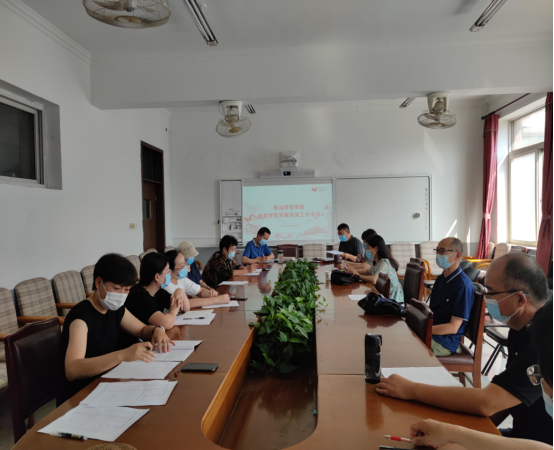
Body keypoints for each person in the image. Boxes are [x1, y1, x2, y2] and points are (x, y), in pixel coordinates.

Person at [376, 253, 553, 446]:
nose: (486, 298)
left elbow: (488, 402)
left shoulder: (543, 338)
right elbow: (508, 396)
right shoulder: (521, 327)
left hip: (533, 443)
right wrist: (467, 434)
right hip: (518, 435)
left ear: (520, 299)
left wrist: (410, 389)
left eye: (490, 292)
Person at [409, 301, 553, 450]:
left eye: (541, 377)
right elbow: (506, 397)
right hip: (519, 438)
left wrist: (455, 434)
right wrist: (458, 433)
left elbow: (488, 402)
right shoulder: (526, 335)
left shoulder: (537, 350)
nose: (540, 383)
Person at [58, 253, 174, 405]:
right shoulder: (81, 317)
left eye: (127, 290)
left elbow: (141, 330)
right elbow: (72, 369)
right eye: (117, 288)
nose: (121, 295)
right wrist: (123, 355)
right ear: (98, 282)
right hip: (80, 396)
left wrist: (157, 330)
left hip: (107, 382)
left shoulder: (114, 308)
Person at [427, 238, 475, 357]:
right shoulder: (441, 279)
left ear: (457, 255)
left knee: (405, 346)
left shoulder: (463, 286)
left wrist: (424, 329)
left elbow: (453, 327)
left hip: (443, 342)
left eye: (442, 251)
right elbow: (433, 312)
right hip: (431, 332)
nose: (438, 254)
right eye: (437, 250)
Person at [124, 252, 190, 332]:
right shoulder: (138, 297)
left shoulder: (158, 291)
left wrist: (179, 291)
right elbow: (166, 323)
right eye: (167, 271)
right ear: (157, 277)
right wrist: (173, 311)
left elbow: (186, 308)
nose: (170, 274)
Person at [345, 234, 404, 303]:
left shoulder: (384, 262)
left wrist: (357, 276)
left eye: (368, 248)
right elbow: (368, 271)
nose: (366, 251)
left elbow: (374, 280)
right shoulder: (376, 261)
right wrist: (352, 270)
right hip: (382, 295)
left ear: (376, 248)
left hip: (393, 300)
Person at [164, 250, 231, 308]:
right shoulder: (165, 285)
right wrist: (216, 300)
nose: (185, 267)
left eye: (185, 263)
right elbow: (185, 304)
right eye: (182, 265)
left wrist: (211, 294)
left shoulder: (181, 279)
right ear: (169, 270)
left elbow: (200, 291)